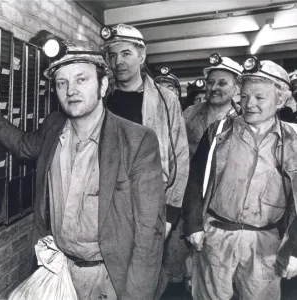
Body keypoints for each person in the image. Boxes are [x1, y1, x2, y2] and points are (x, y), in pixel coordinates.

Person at [0, 39, 166, 300]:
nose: (71, 90)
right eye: (62, 83)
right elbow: (22, 146)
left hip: (109, 279)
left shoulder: (136, 141)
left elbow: (149, 232)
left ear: (103, 85)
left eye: (81, 79)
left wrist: (137, 295)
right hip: (59, 269)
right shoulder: (53, 127)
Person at [183, 58, 297, 300]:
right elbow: (195, 179)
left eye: (259, 97)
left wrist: (295, 249)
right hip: (216, 235)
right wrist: (193, 225)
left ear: (281, 100)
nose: (249, 104)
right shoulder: (219, 132)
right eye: (244, 97)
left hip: (265, 244)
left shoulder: (294, 141)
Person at [101, 24, 189, 239]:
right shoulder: (102, 98)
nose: (118, 62)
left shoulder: (165, 99)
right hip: (107, 201)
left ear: (141, 56)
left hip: (149, 202)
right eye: (112, 55)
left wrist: (171, 214)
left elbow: (180, 156)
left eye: (126, 54)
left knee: (145, 268)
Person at [185, 54, 242, 160]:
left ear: (236, 89)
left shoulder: (243, 118)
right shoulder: (189, 113)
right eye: (210, 82)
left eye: (222, 83)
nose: (214, 88)